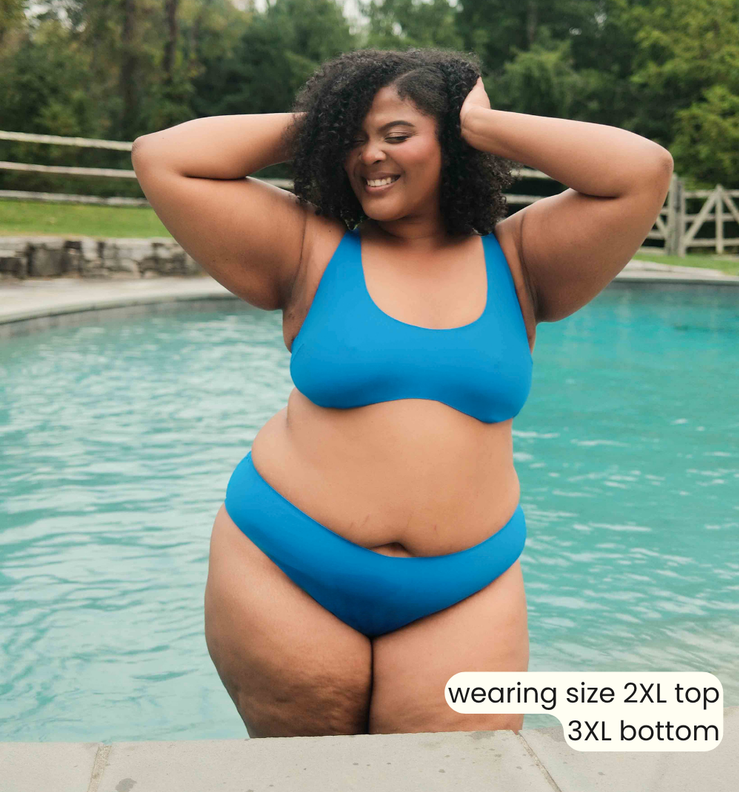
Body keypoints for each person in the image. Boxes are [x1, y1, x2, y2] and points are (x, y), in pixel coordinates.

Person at [132, 47, 672, 737]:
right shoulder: (310, 249)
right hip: (285, 569)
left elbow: (642, 171)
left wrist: (481, 121)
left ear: (452, 142)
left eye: (396, 135)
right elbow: (163, 157)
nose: (370, 156)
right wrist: (328, 121)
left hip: (464, 593)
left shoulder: (523, 260)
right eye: (354, 141)